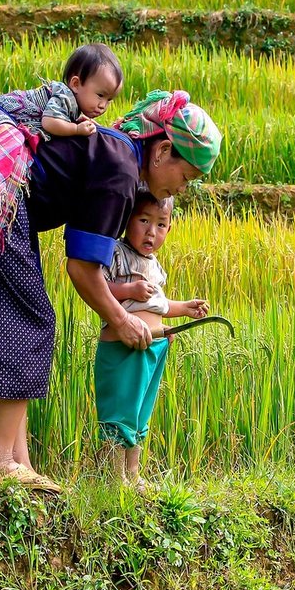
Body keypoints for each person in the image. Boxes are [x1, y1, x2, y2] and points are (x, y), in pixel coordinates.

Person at [0, 85, 221, 492]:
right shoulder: (122, 171)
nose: (183, 188)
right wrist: (121, 319)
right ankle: (0, 462)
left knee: (22, 320)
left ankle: (15, 461)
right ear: (162, 151)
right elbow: (82, 269)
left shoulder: (117, 156)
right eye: (187, 176)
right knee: (29, 322)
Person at [95, 189, 209, 490]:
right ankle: (114, 478)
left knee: (140, 413)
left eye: (160, 224)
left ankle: (133, 474)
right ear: (127, 219)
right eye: (144, 220)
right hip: (123, 346)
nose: (151, 232)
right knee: (120, 410)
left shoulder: (155, 265)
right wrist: (128, 290)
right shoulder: (116, 253)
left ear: (169, 228)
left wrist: (185, 308)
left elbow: (160, 305)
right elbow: (99, 286)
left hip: (155, 347)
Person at [0, 43, 121, 142]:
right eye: (100, 95)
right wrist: (76, 129)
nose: (103, 105)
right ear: (76, 84)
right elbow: (50, 122)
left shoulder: (72, 103)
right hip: (6, 113)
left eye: (109, 100)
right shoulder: (64, 97)